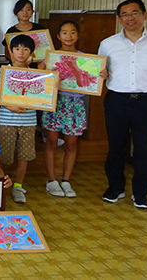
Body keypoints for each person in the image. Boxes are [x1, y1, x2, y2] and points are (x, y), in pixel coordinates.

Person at [98, 0, 147, 209]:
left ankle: (141, 193)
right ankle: (115, 188)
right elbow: (99, 72)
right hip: (117, 100)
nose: (130, 18)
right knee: (116, 146)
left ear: (144, 15)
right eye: (125, 14)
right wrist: (103, 74)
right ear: (119, 19)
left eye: (134, 13)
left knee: (143, 149)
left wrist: (144, 87)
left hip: (146, 101)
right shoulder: (108, 44)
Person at [41, 21, 106, 198]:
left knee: (71, 143)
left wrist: (101, 75)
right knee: (52, 142)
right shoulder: (51, 58)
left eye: (72, 32)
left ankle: (67, 180)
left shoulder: (85, 59)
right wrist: (41, 70)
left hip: (75, 105)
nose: (68, 36)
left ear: (77, 36)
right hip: (54, 104)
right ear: (58, 36)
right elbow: (42, 82)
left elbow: (91, 81)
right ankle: (52, 180)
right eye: (64, 32)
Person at [0, 34, 38, 203]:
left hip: (29, 122)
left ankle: (18, 187)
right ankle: (0, 185)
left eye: (25, 49)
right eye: (17, 49)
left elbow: (43, 96)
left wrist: (52, 84)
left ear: (31, 54)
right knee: (4, 157)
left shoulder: (37, 74)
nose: (21, 52)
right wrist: (9, 106)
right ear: (10, 52)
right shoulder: (3, 72)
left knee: (24, 156)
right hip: (7, 121)